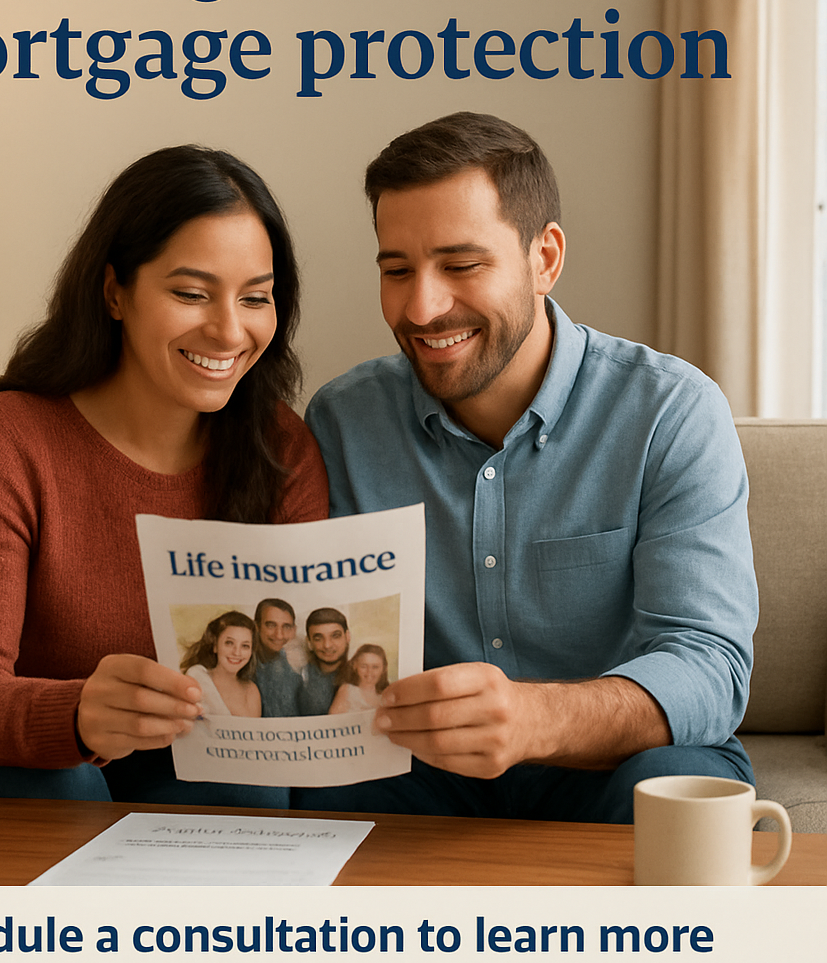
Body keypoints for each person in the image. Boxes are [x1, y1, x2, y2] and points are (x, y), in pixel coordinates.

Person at [301, 111, 757, 823]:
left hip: (608, 758)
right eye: (397, 270)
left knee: (676, 784)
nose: (421, 306)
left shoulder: (671, 411)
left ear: (544, 258)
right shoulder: (342, 421)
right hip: (420, 771)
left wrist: (534, 717)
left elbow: (709, 666)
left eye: (461, 265)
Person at [0, 145, 328, 834]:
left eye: (255, 297)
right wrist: (78, 713)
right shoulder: (4, 439)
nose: (230, 330)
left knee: (252, 790)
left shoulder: (279, 445)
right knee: (69, 790)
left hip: (172, 756)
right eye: (191, 292)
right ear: (115, 291)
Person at [181, 611, 262, 717]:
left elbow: (255, 732)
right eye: (229, 643)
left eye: (245, 646)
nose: (236, 652)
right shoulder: (197, 677)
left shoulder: (251, 690)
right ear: (215, 646)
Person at [252, 597, 303, 717]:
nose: (279, 635)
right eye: (271, 625)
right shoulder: (240, 662)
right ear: (257, 626)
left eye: (286, 627)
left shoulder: (296, 665)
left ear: (294, 630)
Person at [297, 607, 351, 715]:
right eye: (318, 638)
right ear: (309, 643)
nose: (327, 645)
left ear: (347, 637)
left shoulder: (363, 674)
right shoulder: (298, 678)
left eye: (335, 636)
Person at [329, 644, 390, 714]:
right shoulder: (347, 691)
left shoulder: (386, 696)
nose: (369, 671)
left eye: (375, 667)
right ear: (355, 666)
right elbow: (332, 721)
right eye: (364, 666)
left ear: (384, 668)